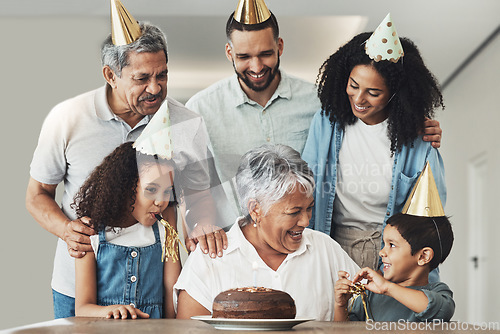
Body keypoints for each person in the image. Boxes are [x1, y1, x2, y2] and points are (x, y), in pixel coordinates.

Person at [25, 12, 225, 318]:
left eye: (162, 75)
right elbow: (37, 194)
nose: (156, 88)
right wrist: (68, 230)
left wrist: (201, 227)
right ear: (110, 75)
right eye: (142, 78)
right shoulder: (68, 118)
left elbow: (200, 196)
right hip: (76, 289)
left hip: (151, 289)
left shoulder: (188, 123)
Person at [186, 1, 443, 224]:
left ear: (280, 47)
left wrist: (414, 121)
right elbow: (193, 184)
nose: (256, 66)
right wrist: (200, 224)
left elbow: (374, 111)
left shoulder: (321, 101)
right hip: (236, 245)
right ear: (229, 52)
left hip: (302, 241)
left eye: (265, 54)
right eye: (244, 56)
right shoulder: (200, 108)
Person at [302, 14, 446, 272]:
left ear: (395, 96)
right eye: (353, 85)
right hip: (331, 244)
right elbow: (307, 184)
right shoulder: (326, 122)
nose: (359, 98)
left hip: (393, 253)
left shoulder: (418, 137)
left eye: (373, 92)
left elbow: (429, 219)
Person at [174, 144, 360, 321]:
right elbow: (189, 329)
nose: (306, 221)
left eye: (309, 208)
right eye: (294, 212)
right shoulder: (210, 260)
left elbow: (366, 309)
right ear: (255, 209)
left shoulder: (324, 249)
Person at [73, 142, 181, 319]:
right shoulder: (91, 233)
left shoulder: (165, 227)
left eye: (167, 191)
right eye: (152, 189)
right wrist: (109, 311)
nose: (161, 202)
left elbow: (172, 289)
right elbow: (82, 308)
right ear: (124, 189)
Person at [333, 212, 455, 321]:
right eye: (384, 244)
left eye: (391, 245)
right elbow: (345, 331)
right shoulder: (370, 295)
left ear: (423, 256)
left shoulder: (438, 291)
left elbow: (440, 311)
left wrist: (387, 287)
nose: (381, 252)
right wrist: (341, 306)